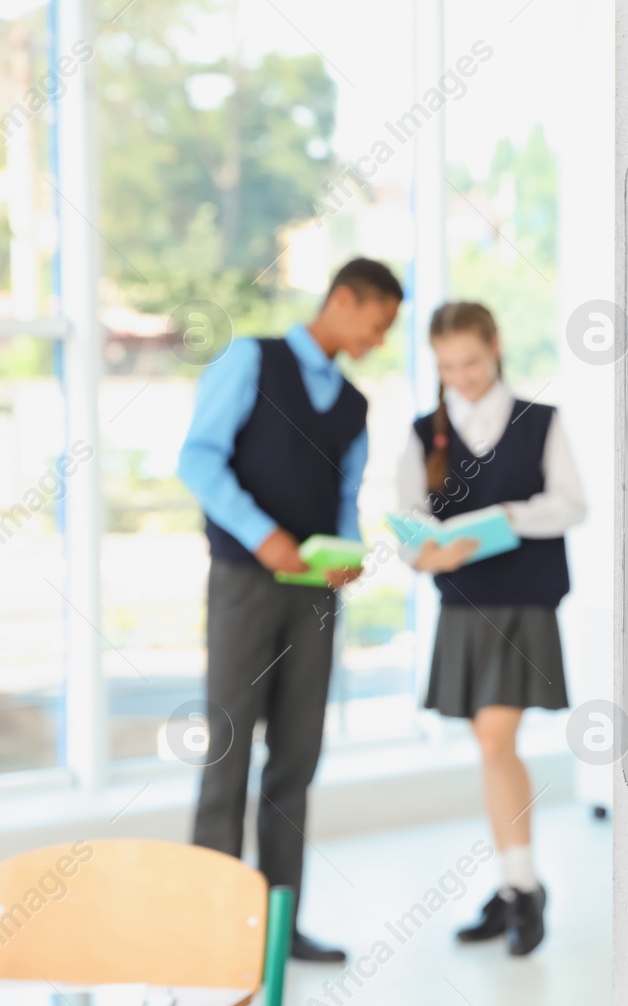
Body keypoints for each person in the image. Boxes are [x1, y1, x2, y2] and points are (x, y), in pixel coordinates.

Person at [177, 257, 403, 964]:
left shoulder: (356, 406)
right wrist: (263, 534)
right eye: (377, 321)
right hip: (244, 583)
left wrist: (347, 552)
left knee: (296, 758)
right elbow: (198, 459)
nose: (379, 337)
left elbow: (344, 501)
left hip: (313, 597)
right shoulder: (252, 360)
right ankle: (208, 929)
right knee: (228, 749)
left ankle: (278, 931)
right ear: (342, 299)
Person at [396, 301, 585, 957]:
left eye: (471, 361)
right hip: (462, 606)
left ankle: (523, 885)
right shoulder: (424, 434)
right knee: (490, 744)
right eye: (448, 366)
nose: (463, 376)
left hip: (524, 602)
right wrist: (427, 552)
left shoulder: (541, 422)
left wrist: (502, 516)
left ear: (495, 347)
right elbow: (411, 524)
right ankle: (514, 885)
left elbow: (571, 504)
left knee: (495, 736)